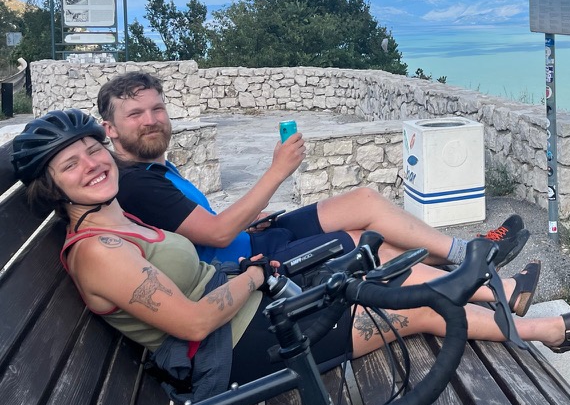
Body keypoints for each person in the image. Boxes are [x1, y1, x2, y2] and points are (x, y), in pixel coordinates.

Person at [10, 109, 570, 402]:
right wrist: (252, 276)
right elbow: (192, 322)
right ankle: (544, 330)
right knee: (415, 309)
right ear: (52, 187)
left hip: (251, 315)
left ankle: (503, 295)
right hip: (237, 350)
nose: (92, 165)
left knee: (381, 266)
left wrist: (250, 272)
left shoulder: (116, 216)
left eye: (93, 151)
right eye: (72, 164)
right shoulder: (98, 251)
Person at [96, 71, 529, 270]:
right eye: (136, 114)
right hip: (247, 266)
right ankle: (479, 271)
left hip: (253, 238)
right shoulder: (137, 183)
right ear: (110, 128)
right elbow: (218, 235)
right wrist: (277, 172)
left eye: (157, 109)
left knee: (364, 201)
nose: (151, 120)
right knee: (364, 241)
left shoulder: (149, 167)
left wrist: (251, 217)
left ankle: (465, 254)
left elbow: (207, 227)